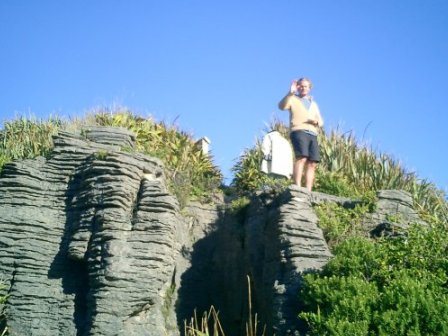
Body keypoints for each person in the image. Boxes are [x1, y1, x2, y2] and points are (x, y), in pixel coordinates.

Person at [278, 77, 324, 191]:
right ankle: (297, 187)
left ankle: (308, 190)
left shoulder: (313, 103)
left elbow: (321, 121)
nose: (303, 88)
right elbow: (281, 106)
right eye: (301, 86)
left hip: (313, 133)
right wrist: (290, 93)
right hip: (298, 131)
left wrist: (316, 122)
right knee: (302, 157)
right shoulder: (292, 99)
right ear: (298, 87)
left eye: (305, 86)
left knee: (312, 162)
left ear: (309, 88)